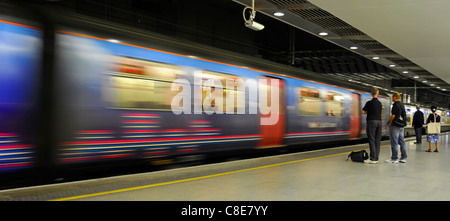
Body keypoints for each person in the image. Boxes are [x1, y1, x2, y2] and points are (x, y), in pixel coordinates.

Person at [361, 87, 383, 164]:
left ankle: (373, 158)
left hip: (371, 122)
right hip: (379, 122)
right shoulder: (380, 103)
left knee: (372, 140)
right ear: (378, 94)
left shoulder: (369, 103)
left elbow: (363, 112)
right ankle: (376, 157)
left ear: (371, 94)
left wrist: (368, 112)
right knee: (377, 140)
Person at [386, 92, 407, 163]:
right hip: (401, 125)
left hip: (395, 125)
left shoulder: (395, 105)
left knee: (394, 142)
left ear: (395, 97)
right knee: (402, 142)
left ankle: (395, 158)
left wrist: (390, 123)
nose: (392, 98)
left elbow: (393, 116)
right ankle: (403, 158)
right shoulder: (402, 105)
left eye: (392, 97)